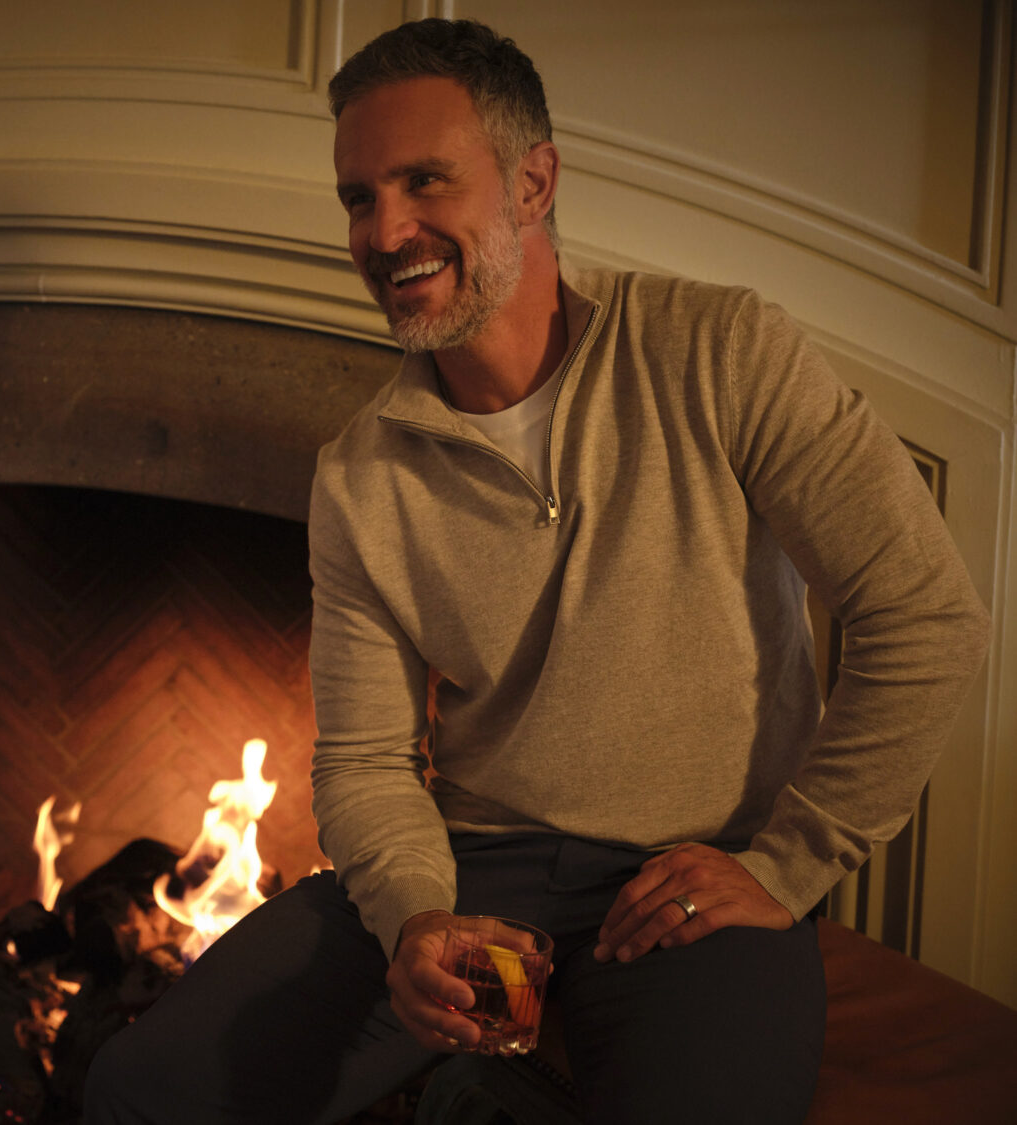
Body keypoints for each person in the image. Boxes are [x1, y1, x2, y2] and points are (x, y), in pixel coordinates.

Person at [84, 18, 990, 1124]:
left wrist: (786, 866)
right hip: (474, 866)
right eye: (360, 197)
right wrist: (417, 919)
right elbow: (366, 761)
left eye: (425, 180)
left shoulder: (721, 352)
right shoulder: (361, 476)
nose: (385, 231)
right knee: (143, 1090)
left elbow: (924, 613)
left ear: (533, 182)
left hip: (692, 874)